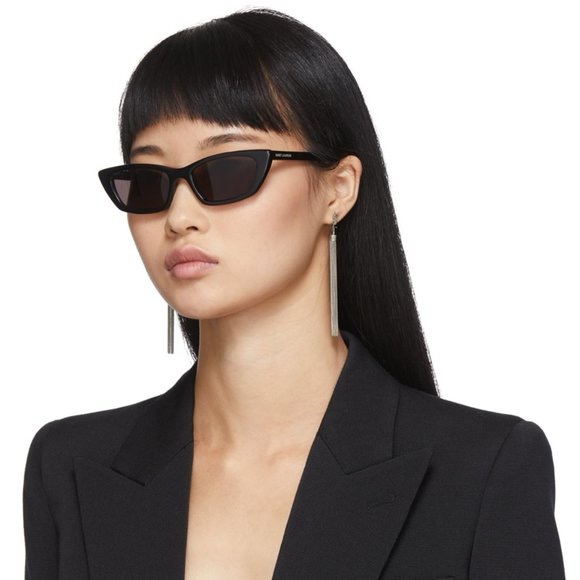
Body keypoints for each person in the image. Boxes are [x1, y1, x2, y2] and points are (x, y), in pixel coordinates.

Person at [22, 8, 565, 579]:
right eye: (150, 182)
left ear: (338, 189)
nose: (179, 217)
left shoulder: (482, 469)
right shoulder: (70, 467)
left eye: (228, 170)